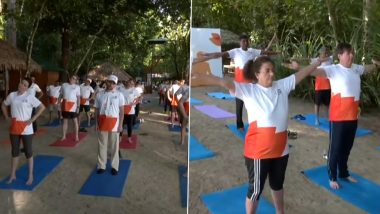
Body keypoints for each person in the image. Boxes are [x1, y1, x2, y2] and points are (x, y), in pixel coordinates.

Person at [192, 55, 325, 214]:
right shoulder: (249, 90)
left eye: (272, 70)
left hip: (281, 150)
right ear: (257, 74)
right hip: (258, 152)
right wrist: (200, 75)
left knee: (277, 184)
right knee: (255, 190)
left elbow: (301, 74)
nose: (271, 74)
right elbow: (224, 82)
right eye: (267, 71)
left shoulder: (282, 86)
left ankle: (280, 212)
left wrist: (317, 62)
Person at [311, 42, 380, 189]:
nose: (351, 55)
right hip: (338, 117)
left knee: (346, 148)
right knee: (335, 148)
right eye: (348, 53)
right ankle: (332, 176)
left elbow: (367, 69)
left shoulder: (356, 68)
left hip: (353, 116)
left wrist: (376, 65)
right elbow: (315, 72)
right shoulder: (333, 69)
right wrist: (299, 68)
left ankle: (343, 173)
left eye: (352, 52)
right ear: (339, 56)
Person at [197, 34, 277, 132]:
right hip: (239, 85)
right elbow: (220, 54)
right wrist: (208, 55)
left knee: (253, 106)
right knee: (239, 106)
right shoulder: (235, 51)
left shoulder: (252, 51)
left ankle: (255, 124)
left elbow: (265, 52)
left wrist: (277, 52)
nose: (245, 43)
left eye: (247, 41)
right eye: (243, 41)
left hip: (250, 85)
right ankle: (239, 125)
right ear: (240, 43)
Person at [1, 77, 46, 185]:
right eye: (21, 83)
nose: (22, 86)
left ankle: (30, 176)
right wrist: (7, 117)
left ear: (27, 88)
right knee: (15, 151)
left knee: (28, 152)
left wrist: (32, 119)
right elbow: (3, 105)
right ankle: (13, 175)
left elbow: (42, 107)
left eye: (25, 85)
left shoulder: (30, 97)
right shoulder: (12, 95)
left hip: (27, 129)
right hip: (14, 127)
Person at [282, 46, 333, 125]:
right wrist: (296, 59)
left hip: (328, 86)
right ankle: (316, 119)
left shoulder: (329, 59)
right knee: (317, 104)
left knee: (327, 104)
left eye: (326, 53)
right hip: (319, 86)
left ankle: (328, 118)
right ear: (321, 53)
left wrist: (318, 60)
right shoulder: (316, 60)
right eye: (324, 53)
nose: (325, 54)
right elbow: (307, 61)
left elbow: (324, 59)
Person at [94, 75, 124, 175]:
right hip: (102, 121)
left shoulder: (119, 95)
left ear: (116, 84)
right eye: (109, 82)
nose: (111, 84)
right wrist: (96, 123)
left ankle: (115, 166)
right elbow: (96, 110)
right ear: (106, 82)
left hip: (114, 123)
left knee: (114, 146)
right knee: (102, 144)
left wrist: (120, 125)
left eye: (113, 83)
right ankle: (101, 165)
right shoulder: (99, 94)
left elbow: (122, 111)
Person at [60, 75, 80, 141]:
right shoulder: (64, 85)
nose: (73, 79)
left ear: (76, 80)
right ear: (69, 78)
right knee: (65, 121)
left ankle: (76, 136)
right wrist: (59, 103)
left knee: (75, 121)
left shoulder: (77, 87)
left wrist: (78, 107)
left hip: (73, 106)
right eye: (72, 78)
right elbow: (61, 95)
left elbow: (78, 98)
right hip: (65, 105)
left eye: (74, 79)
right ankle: (63, 136)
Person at [119, 79, 139, 144]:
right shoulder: (121, 89)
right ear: (127, 82)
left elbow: (140, 97)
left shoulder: (134, 90)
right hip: (122, 109)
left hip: (131, 110)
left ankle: (129, 138)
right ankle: (120, 137)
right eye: (129, 82)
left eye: (132, 83)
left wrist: (135, 103)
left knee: (129, 125)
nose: (130, 84)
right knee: (121, 124)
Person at [175, 81, 189, 146]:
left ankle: (182, 141)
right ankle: (182, 141)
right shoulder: (185, 87)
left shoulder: (184, 87)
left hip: (185, 105)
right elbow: (175, 95)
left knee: (184, 124)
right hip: (185, 105)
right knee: (184, 124)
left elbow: (175, 95)